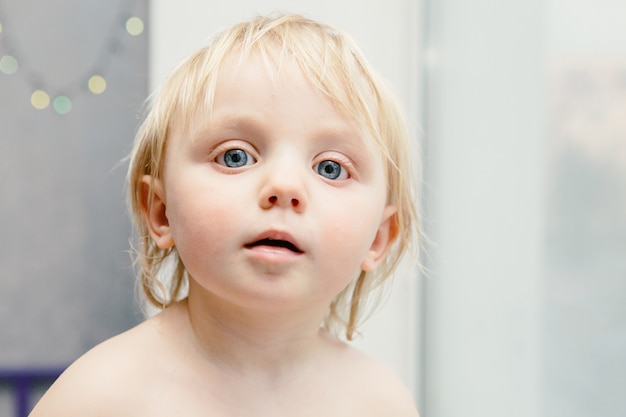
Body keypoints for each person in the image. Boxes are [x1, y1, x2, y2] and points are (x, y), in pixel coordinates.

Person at [30, 13, 421, 416]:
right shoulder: (100, 396)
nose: (284, 186)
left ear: (378, 238)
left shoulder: (379, 402)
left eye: (330, 168)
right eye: (235, 157)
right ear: (161, 212)